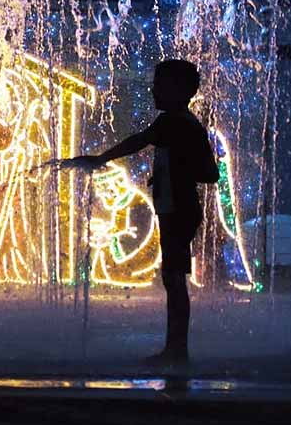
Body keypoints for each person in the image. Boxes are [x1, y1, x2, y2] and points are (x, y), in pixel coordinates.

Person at [40, 59, 218, 365]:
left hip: (179, 210)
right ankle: (175, 348)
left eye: (160, 85)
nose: (153, 90)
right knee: (172, 278)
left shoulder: (176, 122)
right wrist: (166, 173)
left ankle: (177, 350)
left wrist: (101, 159)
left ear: (179, 90)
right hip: (175, 208)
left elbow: (205, 171)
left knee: (174, 280)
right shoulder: (178, 122)